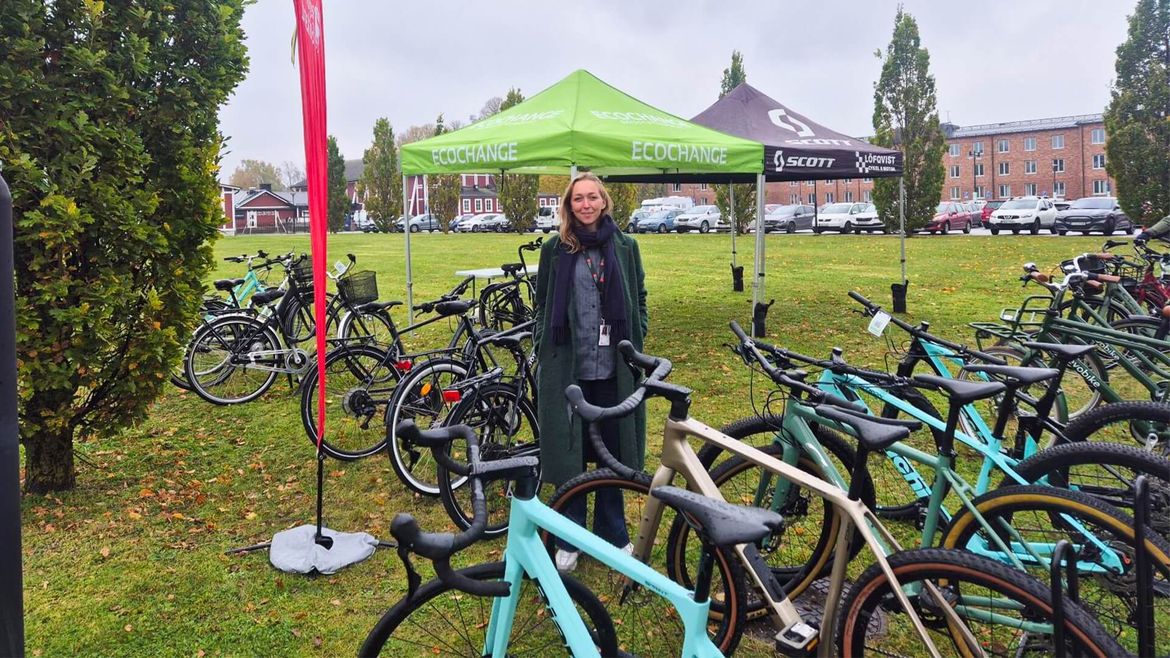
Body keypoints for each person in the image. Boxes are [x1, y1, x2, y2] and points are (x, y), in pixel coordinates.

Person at [533, 172, 649, 573]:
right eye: (577, 199)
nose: (585, 204)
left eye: (592, 197)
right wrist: (541, 345)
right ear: (568, 205)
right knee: (572, 453)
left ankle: (613, 532)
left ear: (604, 201)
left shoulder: (625, 247)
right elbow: (542, 304)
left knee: (611, 453)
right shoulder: (556, 250)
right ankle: (570, 534)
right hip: (570, 369)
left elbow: (640, 297)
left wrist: (639, 334)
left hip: (614, 368)